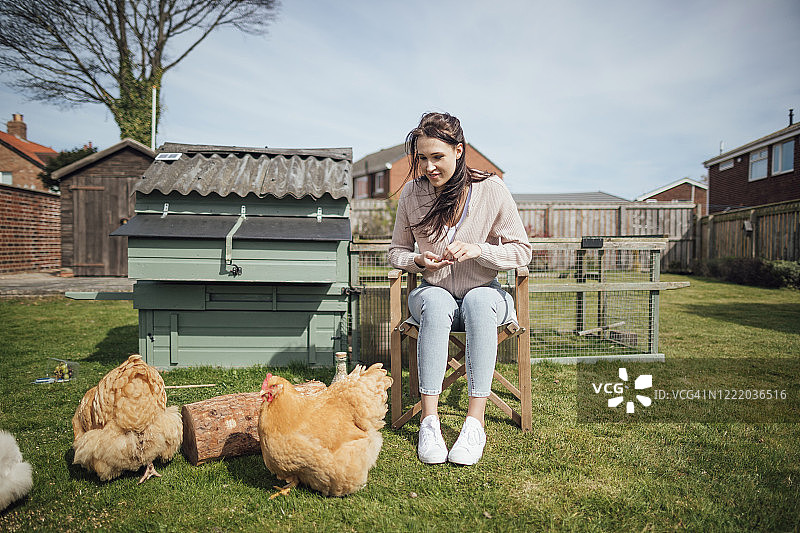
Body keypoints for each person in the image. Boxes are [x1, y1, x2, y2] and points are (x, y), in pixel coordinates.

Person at [388, 112, 532, 465]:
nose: (429, 166)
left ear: (459, 150)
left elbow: (522, 250)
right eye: (421, 158)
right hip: (432, 288)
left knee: (481, 302)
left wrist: (481, 249)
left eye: (437, 156)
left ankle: (474, 424)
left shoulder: (491, 190)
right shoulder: (412, 192)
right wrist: (419, 261)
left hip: (485, 287)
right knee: (436, 304)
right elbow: (395, 252)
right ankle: (429, 422)